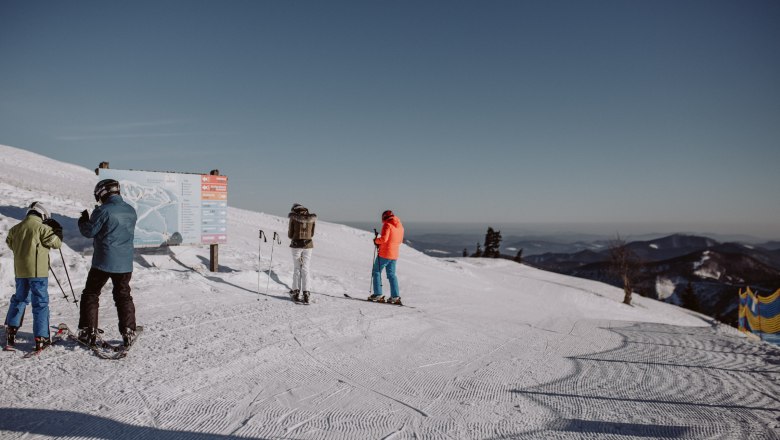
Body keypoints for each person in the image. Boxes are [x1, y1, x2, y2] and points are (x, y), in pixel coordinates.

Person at [77, 179, 138, 347]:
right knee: (123, 295)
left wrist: (83, 221)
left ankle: (88, 331)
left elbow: (90, 231)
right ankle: (128, 331)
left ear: (102, 193)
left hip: (103, 262)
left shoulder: (103, 210)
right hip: (125, 263)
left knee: (91, 293)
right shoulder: (131, 210)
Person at [4, 202, 63, 351]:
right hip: (38, 272)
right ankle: (41, 337)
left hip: (21, 271)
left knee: (19, 298)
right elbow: (56, 244)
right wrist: (57, 231)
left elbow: (10, 244)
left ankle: (11, 330)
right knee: (40, 303)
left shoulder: (15, 229)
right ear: (43, 215)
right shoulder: (42, 228)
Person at [369, 210, 404, 305]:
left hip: (385, 254)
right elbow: (400, 240)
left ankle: (378, 294)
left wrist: (376, 241)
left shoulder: (387, 225)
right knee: (391, 275)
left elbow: (384, 239)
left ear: (384, 217)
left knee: (376, 271)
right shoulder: (400, 226)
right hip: (394, 254)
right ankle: (395, 296)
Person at [287, 203, 317, 304]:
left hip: (296, 245)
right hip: (308, 245)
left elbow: (290, 234)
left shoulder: (293, 218)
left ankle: (295, 292)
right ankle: (306, 294)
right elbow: (312, 234)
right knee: (305, 269)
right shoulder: (311, 218)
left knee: (297, 268)